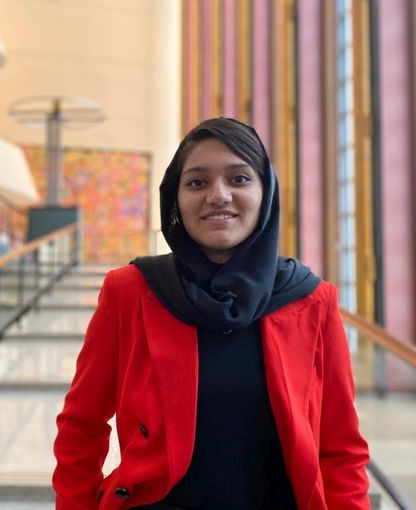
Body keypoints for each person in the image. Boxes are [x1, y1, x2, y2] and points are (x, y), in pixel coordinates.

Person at [53, 117, 370, 510]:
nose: (218, 195)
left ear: (266, 192)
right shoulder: (131, 291)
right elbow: (81, 425)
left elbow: (341, 448)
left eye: (239, 179)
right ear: (175, 199)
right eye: (197, 182)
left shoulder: (312, 301)